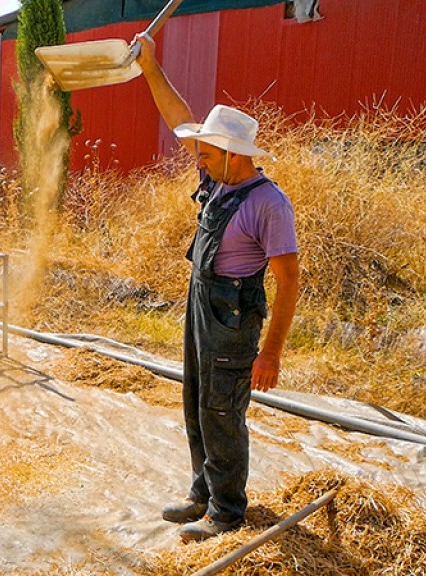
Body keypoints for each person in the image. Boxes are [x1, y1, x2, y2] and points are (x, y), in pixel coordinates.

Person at [134, 33, 300, 543]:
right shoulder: (218, 177)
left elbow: (290, 281)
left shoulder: (269, 204)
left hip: (233, 315)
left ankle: (227, 512)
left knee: (223, 411)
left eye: (205, 152)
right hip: (200, 304)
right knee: (196, 400)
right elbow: (176, 113)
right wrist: (150, 66)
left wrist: (270, 353)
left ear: (233, 154)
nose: (197, 159)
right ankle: (202, 493)